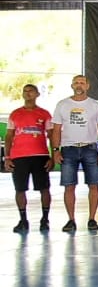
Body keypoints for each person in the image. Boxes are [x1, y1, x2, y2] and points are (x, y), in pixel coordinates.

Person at [49, 74, 98, 232]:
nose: (79, 85)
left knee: (94, 184)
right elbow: (56, 130)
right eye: (76, 83)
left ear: (87, 86)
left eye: (82, 82)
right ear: (72, 86)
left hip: (89, 148)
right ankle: (71, 220)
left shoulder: (95, 106)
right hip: (68, 149)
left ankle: (92, 219)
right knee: (69, 186)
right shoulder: (62, 105)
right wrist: (55, 150)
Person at [6, 84, 53, 233]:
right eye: (25, 91)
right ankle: (23, 220)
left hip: (40, 156)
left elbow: (51, 135)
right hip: (19, 157)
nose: (28, 94)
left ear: (37, 94)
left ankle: (45, 219)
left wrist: (52, 156)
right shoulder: (15, 114)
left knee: (44, 188)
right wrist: (7, 157)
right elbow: (9, 136)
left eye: (31, 91)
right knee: (20, 189)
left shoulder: (45, 114)